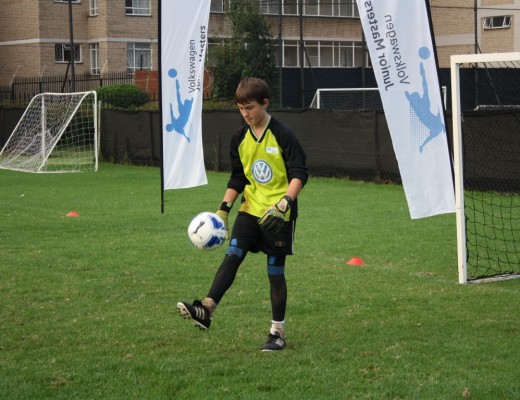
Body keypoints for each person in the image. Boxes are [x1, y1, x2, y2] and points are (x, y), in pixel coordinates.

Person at [177, 77, 308, 351]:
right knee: (233, 254)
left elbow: (300, 172)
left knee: (274, 271)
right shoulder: (239, 138)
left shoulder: (282, 134)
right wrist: (223, 210)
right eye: (240, 108)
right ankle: (207, 309)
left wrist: (285, 202)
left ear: (265, 103)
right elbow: (238, 178)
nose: (245, 114)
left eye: (250, 108)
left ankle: (277, 332)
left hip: (278, 214)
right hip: (250, 209)